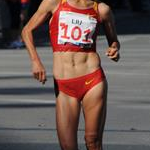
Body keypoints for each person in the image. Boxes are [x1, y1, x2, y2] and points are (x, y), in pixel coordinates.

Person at [21, 0, 120, 149]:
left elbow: (114, 41)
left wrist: (114, 49)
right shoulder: (53, 3)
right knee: (68, 146)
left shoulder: (102, 9)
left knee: (93, 141)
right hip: (64, 85)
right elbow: (26, 30)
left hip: (92, 78)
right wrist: (36, 61)